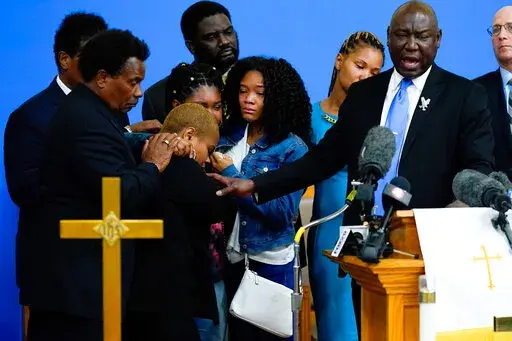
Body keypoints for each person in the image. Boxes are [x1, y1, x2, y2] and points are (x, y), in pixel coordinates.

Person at [211, 1, 494, 337]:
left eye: (422, 36)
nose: (411, 45)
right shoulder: (364, 94)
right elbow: (322, 159)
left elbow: (478, 167)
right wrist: (256, 185)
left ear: (438, 39)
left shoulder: (464, 95)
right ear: (389, 37)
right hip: (365, 248)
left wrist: (453, 217)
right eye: (402, 35)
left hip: (428, 248)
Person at [24, 29, 189, 341]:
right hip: (77, 292)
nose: (139, 92)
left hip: (84, 289)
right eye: (132, 81)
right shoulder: (86, 121)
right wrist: (153, 163)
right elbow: (121, 193)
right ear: (102, 78)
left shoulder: (93, 113)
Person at [3, 12, 108, 308]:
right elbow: (24, 189)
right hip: (52, 266)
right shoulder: (30, 116)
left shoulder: (112, 112)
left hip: (104, 260)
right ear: (64, 59)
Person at [210, 56, 311, 341]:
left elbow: (281, 212)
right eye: (243, 91)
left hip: (270, 264)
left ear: (277, 97)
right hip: (230, 260)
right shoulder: (227, 135)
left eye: (259, 93)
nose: (249, 99)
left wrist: (231, 173)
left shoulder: (292, 148)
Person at [124, 103, 235, 341]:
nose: (208, 159)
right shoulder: (182, 166)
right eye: (210, 148)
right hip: (168, 295)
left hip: (135, 290)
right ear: (188, 135)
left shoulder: (139, 155)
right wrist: (230, 175)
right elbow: (216, 206)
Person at [308, 31, 384, 341]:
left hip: (372, 238)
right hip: (329, 237)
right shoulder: (309, 117)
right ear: (340, 61)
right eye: (360, 66)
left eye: (376, 72)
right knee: (339, 330)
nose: (366, 76)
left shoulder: (380, 119)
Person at [142, 1, 239, 122]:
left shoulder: (261, 84)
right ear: (191, 46)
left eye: (228, 32)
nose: (224, 41)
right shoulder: (157, 96)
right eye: (211, 37)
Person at [474, 6, 512, 179]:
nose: (502, 35)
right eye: (496, 29)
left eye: (510, 27)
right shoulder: (474, 92)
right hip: (493, 198)